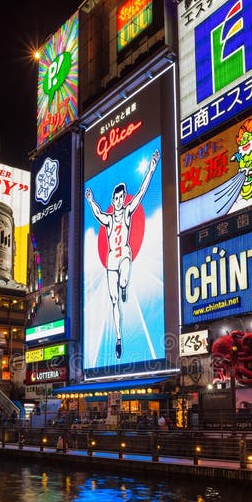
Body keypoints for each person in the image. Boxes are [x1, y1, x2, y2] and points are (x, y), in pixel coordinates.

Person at [86, 149, 160, 360]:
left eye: (121, 197)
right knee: (114, 300)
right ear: (113, 199)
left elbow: (142, 193)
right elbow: (99, 213)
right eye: (116, 198)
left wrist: (152, 168)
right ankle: (119, 339)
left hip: (124, 255)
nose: (119, 200)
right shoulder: (109, 219)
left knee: (124, 279)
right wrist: (91, 200)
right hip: (111, 261)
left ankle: (125, 285)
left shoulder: (127, 212)